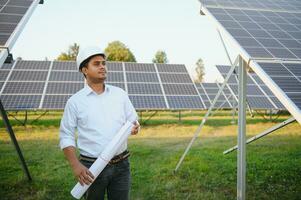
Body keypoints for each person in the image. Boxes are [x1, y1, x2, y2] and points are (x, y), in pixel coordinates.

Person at [59, 46, 140, 200]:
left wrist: (136, 127)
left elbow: (133, 119)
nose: (102, 66)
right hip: (91, 167)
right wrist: (75, 165)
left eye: (104, 63)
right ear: (84, 70)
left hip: (122, 164)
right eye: (96, 64)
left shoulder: (120, 94)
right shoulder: (75, 102)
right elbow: (66, 135)